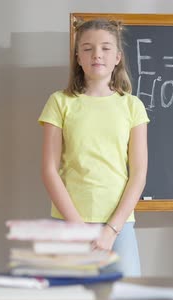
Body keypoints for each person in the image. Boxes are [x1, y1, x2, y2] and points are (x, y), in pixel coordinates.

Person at [38, 19, 149, 276]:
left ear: (118, 57)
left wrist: (111, 229)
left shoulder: (132, 107)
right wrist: (78, 228)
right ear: (78, 57)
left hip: (118, 225)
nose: (97, 54)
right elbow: (49, 171)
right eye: (87, 48)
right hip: (69, 221)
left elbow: (139, 173)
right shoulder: (59, 102)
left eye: (106, 48)